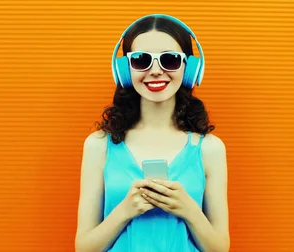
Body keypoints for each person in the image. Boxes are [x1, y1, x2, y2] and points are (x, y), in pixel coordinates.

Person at [74, 14, 230, 252]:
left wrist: (188, 210)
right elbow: (84, 248)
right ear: (124, 69)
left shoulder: (210, 148)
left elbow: (220, 248)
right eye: (140, 60)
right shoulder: (98, 146)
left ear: (190, 68)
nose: (156, 71)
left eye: (169, 60)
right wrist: (125, 211)